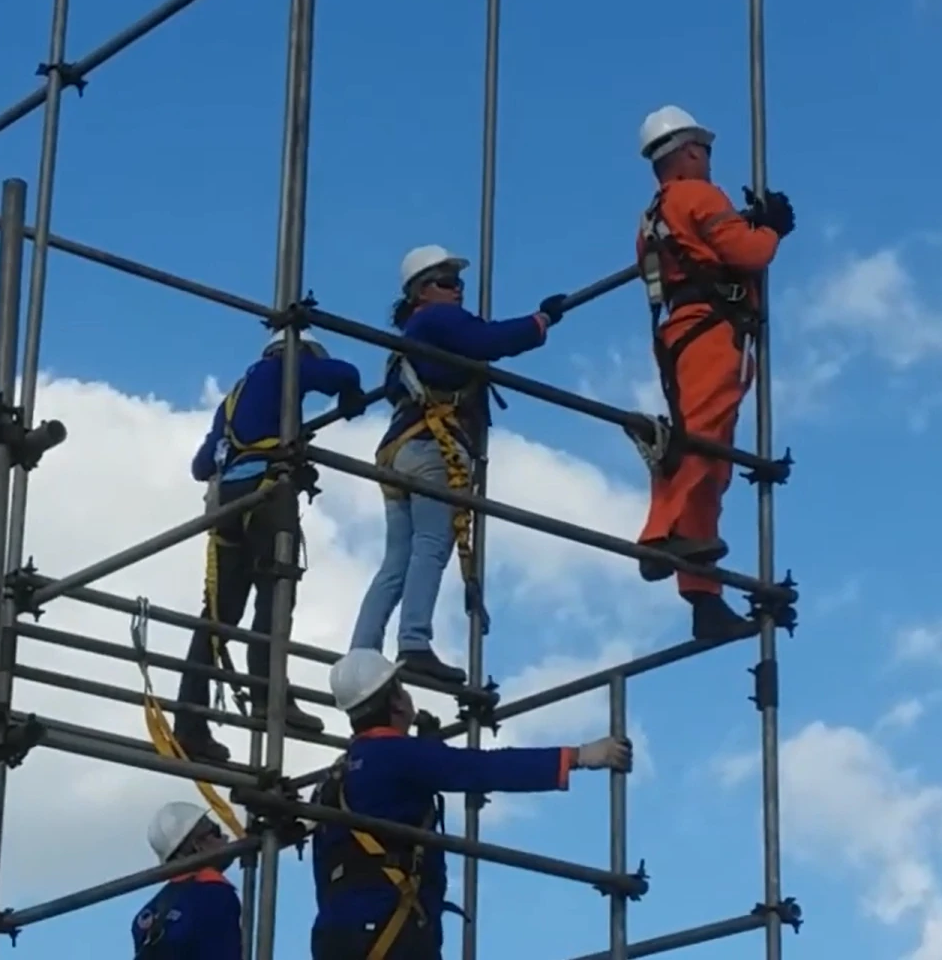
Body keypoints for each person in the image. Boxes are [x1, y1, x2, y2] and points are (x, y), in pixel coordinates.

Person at [309, 649, 633, 960]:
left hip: (333, 933)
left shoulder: (331, 778)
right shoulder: (399, 754)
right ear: (396, 701)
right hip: (388, 925)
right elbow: (481, 769)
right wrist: (577, 756)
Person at [350, 244, 565, 685]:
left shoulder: (410, 335)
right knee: (430, 546)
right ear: (421, 292)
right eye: (447, 283)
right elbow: (489, 341)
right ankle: (413, 642)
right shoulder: (437, 320)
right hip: (432, 447)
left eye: (458, 282)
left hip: (399, 450)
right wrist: (540, 321)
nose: (458, 291)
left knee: (397, 559)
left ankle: (361, 654)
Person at [628, 105, 794, 640]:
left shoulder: (652, 215)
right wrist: (769, 229)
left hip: (681, 330)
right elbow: (745, 253)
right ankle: (665, 534)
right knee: (703, 441)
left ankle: (703, 597)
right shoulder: (698, 196)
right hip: (710, 331)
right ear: (691, 151)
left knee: (710, 457)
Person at [178, 329, 369, 761]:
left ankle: (189, 722)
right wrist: (351, 393)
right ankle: (269, 696)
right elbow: (343, 372)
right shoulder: (284, 368)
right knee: (274, 596)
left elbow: (201, 465)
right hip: (267, 494)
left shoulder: (233, 399)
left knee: (218, 616)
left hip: (227, 502)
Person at [132, 801, 241, 960]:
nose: (226, 837)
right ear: (198, 845)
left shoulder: (145, 914)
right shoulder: (215, 896)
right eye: (216, 831)